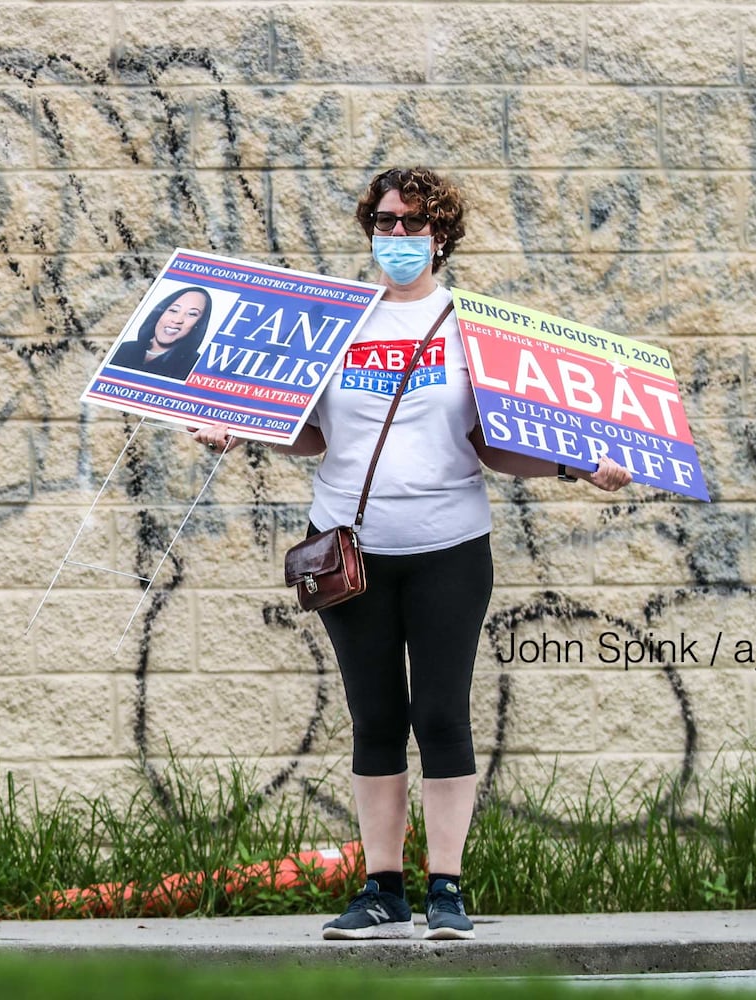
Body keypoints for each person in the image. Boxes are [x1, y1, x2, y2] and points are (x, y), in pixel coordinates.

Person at [192, 167, 631, 941]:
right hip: (350, 554)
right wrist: (239, 427)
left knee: (441, 714)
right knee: (374, 719)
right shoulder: (334, 323)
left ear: (441, 236)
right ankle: (382, 889)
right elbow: (316, 433)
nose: (397, 237)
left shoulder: (470, 328)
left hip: (449, 549)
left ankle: (448, 890)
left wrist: (576, 464)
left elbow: (494, 447)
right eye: (385, 223)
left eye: (413, 224)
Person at [109, 285, 213, 380]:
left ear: (199, 323)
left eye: (191, 314)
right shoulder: (123, 348)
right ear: (161, 312)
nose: (177, 320)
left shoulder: (195, 365)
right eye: (173, 310)